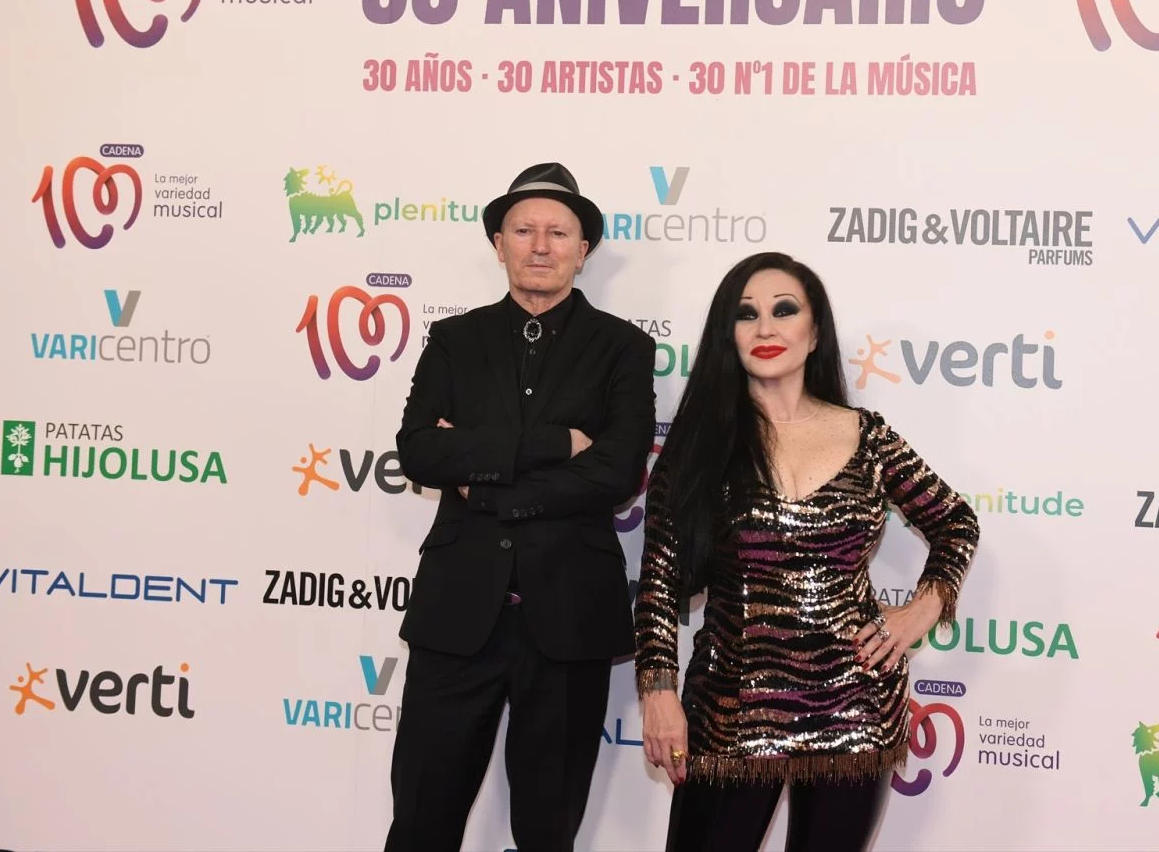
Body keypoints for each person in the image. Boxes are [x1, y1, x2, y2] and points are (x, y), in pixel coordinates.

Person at [634, 252, 980, 852]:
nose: (766, 328)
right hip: (731, 711)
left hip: (856, 708)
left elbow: (955, 521)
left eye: (783, 310)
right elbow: (659, 584)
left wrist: (922, 609)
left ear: (814, 331)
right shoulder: (699, 444)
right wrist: (659, 692)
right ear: (728, 335)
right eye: (747, 315)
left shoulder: (869, 437)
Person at [385, 162, 657, 852]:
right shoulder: (454, 340)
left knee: (547, 830)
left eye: (558, 231)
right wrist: (552, 444)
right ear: (498, 242)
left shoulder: (624, 348)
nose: (541, 244)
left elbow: (617, 471)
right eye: (524, 229)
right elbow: (418, 450)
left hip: (569, 620)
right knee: (420, 820)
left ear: (584, 247)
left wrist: (484, 479)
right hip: (456, 617)